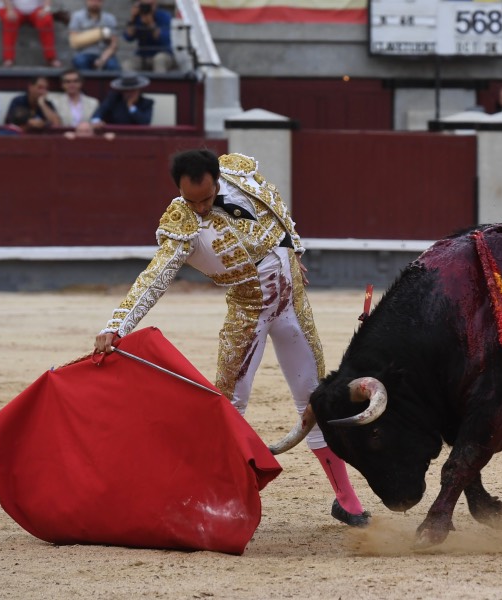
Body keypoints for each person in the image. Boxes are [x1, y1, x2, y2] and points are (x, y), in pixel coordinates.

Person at [93, 149, 371, 527]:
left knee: (315, 401)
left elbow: (276, 208)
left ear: (217, 179)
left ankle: (347, 501)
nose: (202, 208)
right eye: (192, 200)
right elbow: (155, 277)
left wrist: (293, 248)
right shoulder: (182, 222)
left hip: (292, 304)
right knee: (228, 409)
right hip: (248, 313)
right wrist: (118, 324)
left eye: (207, 198)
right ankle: (209, 501)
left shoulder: (239, 173)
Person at [0, 0, 62, 67]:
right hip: (11, 8)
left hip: (36, 9)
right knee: (9, 20)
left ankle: (51, 57)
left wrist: (45, 9)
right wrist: (9, 10)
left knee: (46, 20)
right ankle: (8, 58)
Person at [122, 0, 175, 73]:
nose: (147, 8)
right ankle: (133, 84)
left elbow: (165, 40)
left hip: (163, 54)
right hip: (143, 55)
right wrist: (132, 18)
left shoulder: (165, 16)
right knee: (127, 65)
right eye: (144, 5)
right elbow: (128, 37)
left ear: (155, 4)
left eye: (150, 5)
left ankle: (159, 84)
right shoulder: (138, 17)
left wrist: (151, 24)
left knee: (159, 60)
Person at [68, 0, 120, 71]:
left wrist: (102, 59)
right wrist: (100, 33)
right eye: (92, 0)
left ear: (102, 2)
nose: (95, 3)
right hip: (83, 53)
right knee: (80, 61)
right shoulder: (77, 16)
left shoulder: (110, 18)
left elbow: (114, 45)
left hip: (105, 54)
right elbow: (74, 41)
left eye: (98, 1)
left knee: (113, 66)